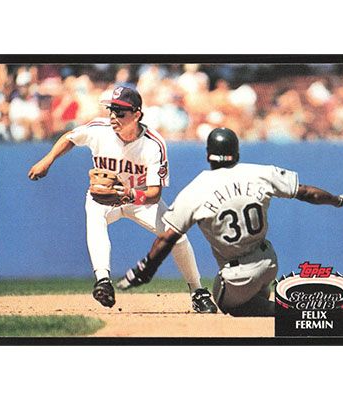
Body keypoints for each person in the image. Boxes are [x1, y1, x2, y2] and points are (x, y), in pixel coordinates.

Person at [117, 127, 343, 316]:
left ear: (208, 155)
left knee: (223, 300)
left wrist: (145, 270)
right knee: (253, 294)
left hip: (237, 274)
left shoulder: (195, 189)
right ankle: (266, 299)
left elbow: (168, 238)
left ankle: (289, 310)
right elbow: (306, 192)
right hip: (269, 262)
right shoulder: (261, 172)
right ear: (237, 152)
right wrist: (337, 200)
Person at [28, 86, 217, 314]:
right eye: (111, 110)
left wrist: (128, 194)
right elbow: (70, 137)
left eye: (120, 112)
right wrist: (47, 160)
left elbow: (154, 194)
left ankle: (197, 291)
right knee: (95, 219)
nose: (113, 116)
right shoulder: (99, 130)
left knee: (176, 237)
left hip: (139, 199)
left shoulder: (153, 144)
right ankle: (103, 281)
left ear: (137, 115)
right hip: (104, 197)